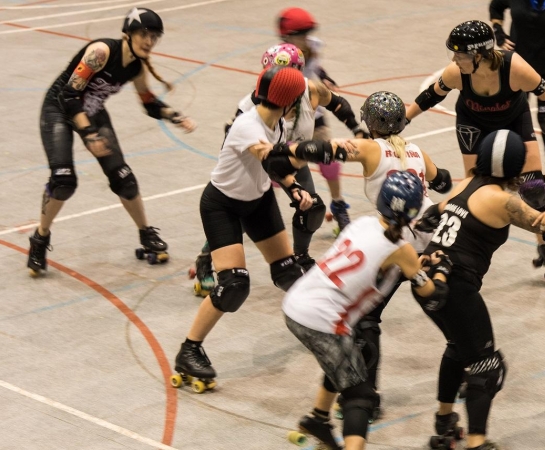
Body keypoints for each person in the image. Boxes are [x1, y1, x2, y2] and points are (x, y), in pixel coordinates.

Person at [171, 65, 332, 393]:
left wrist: (294, 188)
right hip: (222, 206)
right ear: (289, 102)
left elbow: (274, 166)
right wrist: (310, 149)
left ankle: (324, 327)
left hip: (258, 201)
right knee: (233, 285)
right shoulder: (248, 124)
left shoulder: (277, 124)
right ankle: (189, 350)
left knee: (289, 272)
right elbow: (268, 155)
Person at [420, 130, 545, 450]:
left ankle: (445, 422)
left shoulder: (464, 184)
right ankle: (477, 443)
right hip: (456, 289)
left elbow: (430, 216)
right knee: (487, 367)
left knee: (458, 345)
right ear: (516, 168)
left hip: (425, 282)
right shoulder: (504, 201)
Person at [282, 172, 452, 450]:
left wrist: (416, 261)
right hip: (322, 320)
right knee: (361, 397)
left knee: (358, 355)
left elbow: (385, 256)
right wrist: (442, 269)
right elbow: (432, 294)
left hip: (296, 303)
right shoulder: (402, 249)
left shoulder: (363, 224)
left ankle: (319, 419)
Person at [27, 7, 196, 276]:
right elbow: (70, 96)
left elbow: (149, 103)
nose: (149, 41)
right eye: (144, 34)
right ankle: (40, 237)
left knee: (124, 179)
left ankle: (145, 233)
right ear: (127, 34)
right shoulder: (101, 52)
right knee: (63, 181)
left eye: (155, 37)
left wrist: (175, 116)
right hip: (58, 109)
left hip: (92, 112)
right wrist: (90, 134)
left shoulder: (136, 67)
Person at [188, 42, 363, 296]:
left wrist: (356, 129)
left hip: (292, 161)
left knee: (312, 207)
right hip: (261, 163)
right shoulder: (251, 105)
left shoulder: (310, 90)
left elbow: (338, 104)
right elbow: (241, 145)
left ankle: (300, 257)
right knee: (238, 214)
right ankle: (206, 258)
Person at [406, 20, 545, 286]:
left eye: (460, 55)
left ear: (479, 55)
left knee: (533, 187)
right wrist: (404, 119)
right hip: (473, 122)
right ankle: (444, 230)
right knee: (475, 184)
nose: (455, 60)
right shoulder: (456, 72)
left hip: (513, 120)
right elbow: (430, 96)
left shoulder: (515, 67)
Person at [323, 91, 453, 421]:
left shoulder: (371, 148)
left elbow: (330, 151)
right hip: (432, 238)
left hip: (399, 241)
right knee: (443, 306)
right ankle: (466, 364)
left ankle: (368, 397)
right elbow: (443, 181)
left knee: (366, 317)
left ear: (369, 121)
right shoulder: (415, 149)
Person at [278, 7, 368, 230]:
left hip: (313, 115)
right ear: (287, 37)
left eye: (307, 34)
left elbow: (314, 67)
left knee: (329, 162)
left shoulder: (313, 45)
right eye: (301, 35)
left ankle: (338, 205)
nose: (305, 39)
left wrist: (325, 78)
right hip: (285, 120)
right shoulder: (281, 57)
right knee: (273, 174)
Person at [489, 0, 545, 192]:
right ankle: (514, 168)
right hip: (518, 65)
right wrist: (499, 32)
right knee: (513, 117)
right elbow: (496, 6)